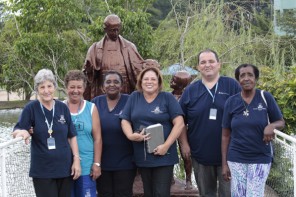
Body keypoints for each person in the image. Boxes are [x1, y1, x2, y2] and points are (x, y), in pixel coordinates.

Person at [178, 49, 241, 197]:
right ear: (198, 67)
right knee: (206, 194)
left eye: (211, 61)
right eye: (203, 62)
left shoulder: (232, 86)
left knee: (229, 194)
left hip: (229, 156)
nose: (207, 65)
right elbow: (180, 120)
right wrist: (184, 144)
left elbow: (244, 114)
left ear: (219, 64)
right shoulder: (190, 91)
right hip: (200, 155)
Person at [12, 69, 81, 197]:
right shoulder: (30, 108)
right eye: (42, 87)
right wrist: (22, 132)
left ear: (54, 87)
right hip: (43, 171)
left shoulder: (62, 107)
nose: (46, 90)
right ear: (37, 90)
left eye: (49, 86)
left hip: (65, 169)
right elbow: (17, 130)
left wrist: (76, 160)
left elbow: (72, 136)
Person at [120, 67, 185, 197]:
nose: (149, 82)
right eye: (146, 79)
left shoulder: (167, 97)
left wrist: (165, 146)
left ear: (159, 82)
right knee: (148, 193)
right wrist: (130, 135)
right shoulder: (134, 97)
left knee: (161, 193)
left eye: (153, 79)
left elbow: (180, 123)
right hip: (142, 156)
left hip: (164, 155)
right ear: (141, 81)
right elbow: (124, 120)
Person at [221, 64, 285, 197]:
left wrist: (271, 126)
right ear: (238, 80)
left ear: (256, 78)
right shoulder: (231, 102)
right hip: (236, 157)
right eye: (242, 75)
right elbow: (225, 135)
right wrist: (224, 164)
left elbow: (281, 122)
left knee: (254, 194)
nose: (246, 78)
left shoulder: (265, 97)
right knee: (238, 194)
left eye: (250, 75)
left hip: (260, 157)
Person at [92, 70, 136, 196]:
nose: (112, 85)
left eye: (116, 82)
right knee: (104, 193)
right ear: (103, 86)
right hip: (102, 163)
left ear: (121, 86)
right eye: (108, 82)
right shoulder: (95, 102)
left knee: (123, 193)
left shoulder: (130, 101)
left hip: (125, 163)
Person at [82, 14, 144, 100]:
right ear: (105, 29)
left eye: (117, 30)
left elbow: (139, 71)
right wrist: (90, 70)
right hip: (102, 94)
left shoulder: (129, 47)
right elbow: (88, 76)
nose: (116, 33)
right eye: (112, 30)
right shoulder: (95, 48)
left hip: (125, 93)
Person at [64, 70, 102, 197]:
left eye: (79, 87)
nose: (76, 90)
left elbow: (97, 139)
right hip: (65, 167)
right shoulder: (59, 108)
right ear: (66, 87)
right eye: (72, 87)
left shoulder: (91, 108)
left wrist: (96, 163)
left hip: (87, 166)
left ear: (84, 88)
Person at [170, 70, 193, 190]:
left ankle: (188, 180)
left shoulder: (188, 97)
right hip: (169, 127)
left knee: (186, 153)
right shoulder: (168, 95)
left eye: (173, 80)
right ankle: (170, 177)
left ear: (181, 84)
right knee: (168, 151)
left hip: (183, 127)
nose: (170, 81)